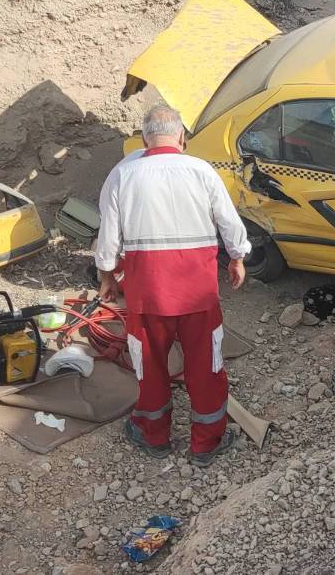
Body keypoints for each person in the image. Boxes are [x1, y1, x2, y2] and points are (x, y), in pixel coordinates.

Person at [94, 104, 251, 464]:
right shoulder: (201, 170)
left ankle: (153, 436)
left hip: (147, 293)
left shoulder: (124, 174)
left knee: (149, 365)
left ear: (144, 138)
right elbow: (228, 220)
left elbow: (109, 234)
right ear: (181, 136)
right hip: (197, 291)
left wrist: (106, 274)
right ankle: (206, 443)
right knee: (206, 364)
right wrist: (238, 257)